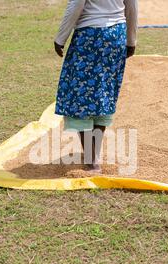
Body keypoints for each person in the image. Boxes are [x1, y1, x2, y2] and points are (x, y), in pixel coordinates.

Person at [54, 0, 138, 172]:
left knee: (81, 97)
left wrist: (61, 38)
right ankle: (93, 156)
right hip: (116, 36)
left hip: (89, 37)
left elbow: (76, 5)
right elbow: (132, 6)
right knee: (104, 94)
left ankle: (91, 159)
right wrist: (131, 40)